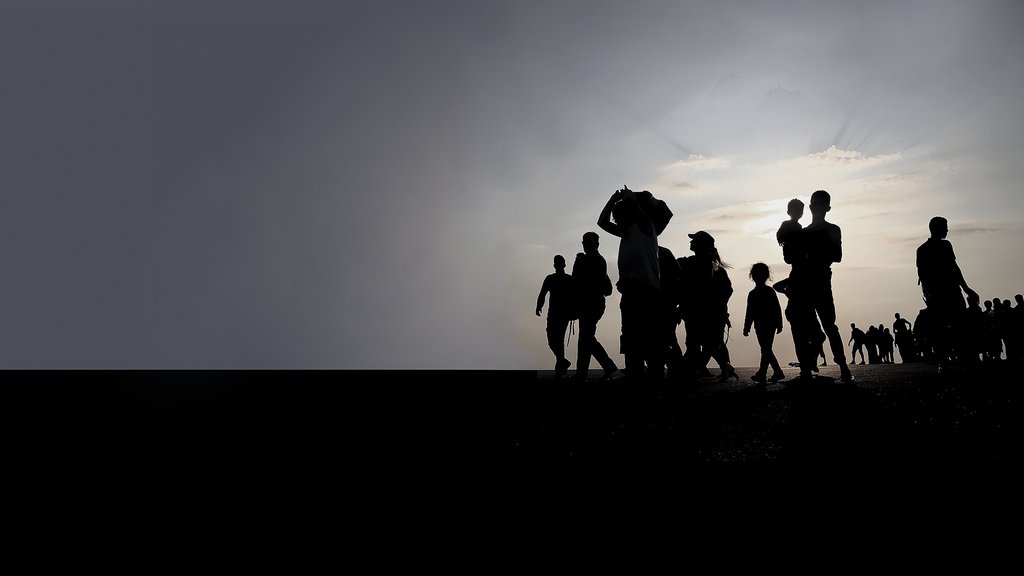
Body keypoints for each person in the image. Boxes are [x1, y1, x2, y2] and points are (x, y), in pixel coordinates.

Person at [598, 186, 672, 382]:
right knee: (631, 335)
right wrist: (613, 199)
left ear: (628, 214)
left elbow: (634, 208)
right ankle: (635, 372)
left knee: (646, 334)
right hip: (631, 289)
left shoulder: (645, 226)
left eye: (618, 216)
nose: (616, 221)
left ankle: (654, 371)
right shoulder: (627, 232)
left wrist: (628, 197)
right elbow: (602, 222)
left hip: (645, 289)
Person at [786, 190, 855, 383]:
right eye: (814, 204)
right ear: (810, 207)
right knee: (802, 329)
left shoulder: (833, 229)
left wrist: (810, 254)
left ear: (828, 208)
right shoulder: (802, 232)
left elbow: (837, 256)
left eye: (821, 204)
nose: (817, 207)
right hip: (803, 284)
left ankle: (842, 366)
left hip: (822, 283)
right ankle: (807, 368)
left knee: (829, 326)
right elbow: (792, 259)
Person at [916, 216, 979, 373]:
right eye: (945, 227)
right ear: (935, 228)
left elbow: (955, 268)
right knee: (939, 329)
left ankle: (968, 359)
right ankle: (943, 361)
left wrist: (966, 288)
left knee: (961, 326)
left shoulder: (947, 246)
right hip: (937, 294)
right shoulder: (923, 250)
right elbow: (922, 275)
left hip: (953, 291)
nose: (947, 230)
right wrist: (929, 294)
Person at [679, 231, 738, 382]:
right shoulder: (714, 268)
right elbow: (728, 291)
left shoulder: (692, 264)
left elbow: (725, 292)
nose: (691, 242)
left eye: (695, 240)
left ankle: (694, 371)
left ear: (701, 245)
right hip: (705, 312)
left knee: (698, 343)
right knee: (707, 343)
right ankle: (722, 366)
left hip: (698, 313)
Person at [570, 232, 622, 382]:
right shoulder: (590, 260)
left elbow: (580, 283)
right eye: (584, 243)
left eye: (588, 243)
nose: (586, 246)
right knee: (586, 338)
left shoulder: (596, 260)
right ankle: (589, 371)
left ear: (596, 244)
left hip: (592, 304)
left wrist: (579, 263)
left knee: (586, 338)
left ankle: (599, 368)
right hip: (590, 304)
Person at [742, 262, 785, 386]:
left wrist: (746, 327)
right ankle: (763, 372)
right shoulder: (769, 291)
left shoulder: (753, 294)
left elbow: (749, 312)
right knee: (766, 349)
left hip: (762, 325)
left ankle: (775, 371)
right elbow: (777, 309)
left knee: (766, 349)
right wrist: (779, 323)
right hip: (769, 325)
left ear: (752, 276)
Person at [536, 254, 575, 378]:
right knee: (555, 341)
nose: (559, 265)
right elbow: (542, 294)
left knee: (557, 341)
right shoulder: (552, 279)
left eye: (560, 262)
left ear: (563, 264)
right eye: (557, 263)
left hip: (561, 314)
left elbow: (575, 297)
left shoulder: (567, 279)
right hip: (556, 314)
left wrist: (539, 306)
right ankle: (561, 361)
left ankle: (560, 370)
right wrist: (539, 306)